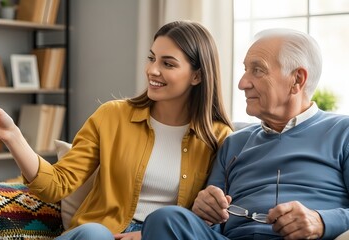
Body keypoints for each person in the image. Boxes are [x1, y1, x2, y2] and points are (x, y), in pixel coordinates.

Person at [0, 20, 232, 240]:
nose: (152, 70)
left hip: (160, 235)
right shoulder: (113, 116)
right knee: (93, 233)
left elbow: (210, 220)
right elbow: (57, 184)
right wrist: (13, 136)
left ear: (197, 75)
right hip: (98, 233)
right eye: (152, 58)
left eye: (168, 63)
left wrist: (143, 234)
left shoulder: (219, 138)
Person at [141, 28, 349, 240]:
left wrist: (322, 221)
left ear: (297, 79)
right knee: (166, 219)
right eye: (245, 70)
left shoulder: (343, 132)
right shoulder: (234, 142)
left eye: (257, 70)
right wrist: (205, 211)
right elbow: (211, 223)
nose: (242, 83)